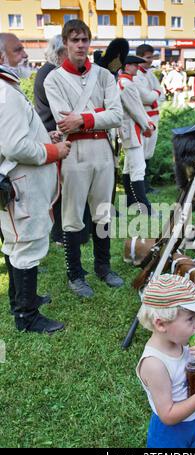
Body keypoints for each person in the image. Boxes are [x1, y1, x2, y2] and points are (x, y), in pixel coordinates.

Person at [44, 20, 124, 297]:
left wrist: (86, 118)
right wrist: (98, 115)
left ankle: (103, 267)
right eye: (75, 40)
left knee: (103, 212)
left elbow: (117, 115)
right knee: (72, 215)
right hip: (74, 151)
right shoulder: (53, 79)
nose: (80, 45)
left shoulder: (104, 75)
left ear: (90, 42)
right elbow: (63, 121)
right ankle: (75, 274)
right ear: (65, 43)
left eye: (84, 40)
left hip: (102, 149)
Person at [0, 33, 71, 333]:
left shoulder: (6, 89)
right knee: (26, 245)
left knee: (16, 244)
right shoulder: (4, 92)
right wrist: (54, 150)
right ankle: (26, 316)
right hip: (21, 185)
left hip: (17, 183)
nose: (24, 54)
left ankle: (20, 300)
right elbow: (15, 146)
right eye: (17, 50)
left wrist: (44, 137)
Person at [136, 274, 195, 448]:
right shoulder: (155, 364)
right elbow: (167, 415)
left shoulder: (182, 343)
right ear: (161, 324)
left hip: (193, 425)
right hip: (169, 437)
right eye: (190, 319)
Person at [34, 34, 91, 246]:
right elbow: (67, 108)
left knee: (67, 186)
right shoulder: (51, 73)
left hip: (57, 132)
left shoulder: (51, 71)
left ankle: (68, 232)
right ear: (60, 52)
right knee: (63, 188)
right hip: (55, 134)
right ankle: (60, 235)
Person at [118, 55, 156, 215]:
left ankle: (130, 202)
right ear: (127, 67)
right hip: (132, 130)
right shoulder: (127, 84)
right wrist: (147, 125)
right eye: (133, 65)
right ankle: (144, 208)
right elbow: (136, 109)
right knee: (138, 168)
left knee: (129, 167)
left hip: (129, 129)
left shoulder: (123, 82)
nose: (136, 68)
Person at [134, 44, 165, 193]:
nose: (151, 60)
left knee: (149, 152)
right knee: (142, 152)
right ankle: (142, 186)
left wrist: (154, 95)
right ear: (140, 57)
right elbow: (145, 97)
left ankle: (146, 185)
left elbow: (162, 94)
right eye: (148, 57)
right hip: (144, 117)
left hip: (154, 116)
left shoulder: (150, 74)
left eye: (152, 57)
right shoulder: (137, 75)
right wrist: (154, 94)